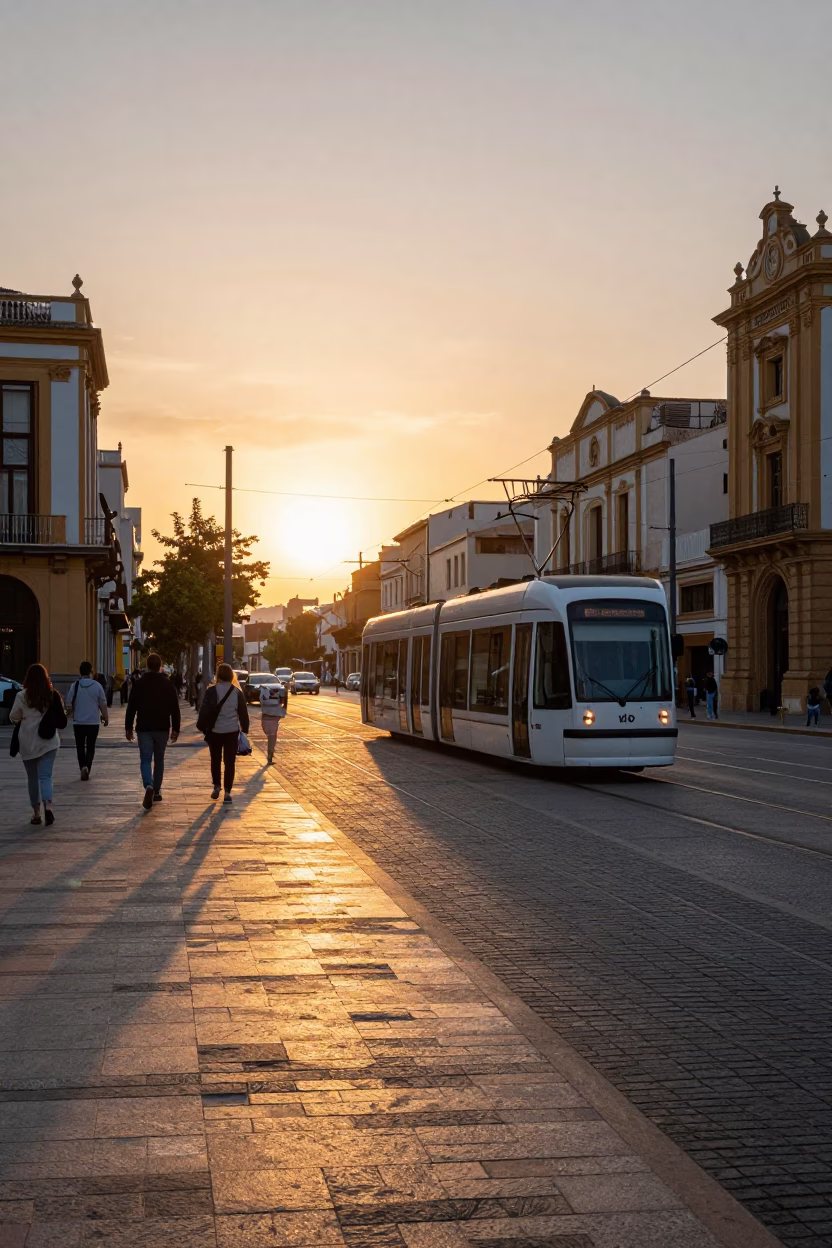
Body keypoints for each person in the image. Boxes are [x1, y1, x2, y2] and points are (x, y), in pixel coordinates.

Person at [10, 663, 65, 826]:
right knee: (46, 776)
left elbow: (13, 717)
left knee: (32, 778)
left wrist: (25, 717)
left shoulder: (22, 696)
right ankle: (48, 806)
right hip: (48, 741)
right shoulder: (52, 694)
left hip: (28, 742)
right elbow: (60, 716)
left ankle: (36, 813)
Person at [125, 652, 181, 810]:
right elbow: (175, 709)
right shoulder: (168, 684)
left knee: (145, 759)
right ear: (160, 666)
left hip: (144, 727)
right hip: (162, 727)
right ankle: (156, 790)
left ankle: (148, 785)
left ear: (148, 666)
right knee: (160, 760)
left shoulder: (139, 684)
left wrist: (128, 727)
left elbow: (131, 707)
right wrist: (175, 728)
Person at [197, 662, 249, 803]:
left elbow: (204, 710)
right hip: (231, 732)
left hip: (215, 731)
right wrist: (245, 728)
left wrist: (202, 727)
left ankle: (216, 786)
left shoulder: (211, 691)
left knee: (215, 760)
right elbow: (243, 713)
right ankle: (227, 792)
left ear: (218, 675)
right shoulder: (237, 692)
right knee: (230, 762)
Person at [66, 661, 109, 780]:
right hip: (93, 722)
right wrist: (105, 717)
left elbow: (69, 703)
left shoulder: (75, 685)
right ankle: (88, 768)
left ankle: (82, 767)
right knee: (91, 747)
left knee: (80, 747)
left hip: (78, 722)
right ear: (91, 672)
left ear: (80, 672)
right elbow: (103, 703)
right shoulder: (97, 686)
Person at [260, 682, 286, 764]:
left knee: (270, 738)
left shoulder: (263, 698)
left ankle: (270, 755)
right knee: (272, 739)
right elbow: (284, 704)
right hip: (273, 721)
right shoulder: (278, 701)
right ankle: (270, 756)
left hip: (265, 720)